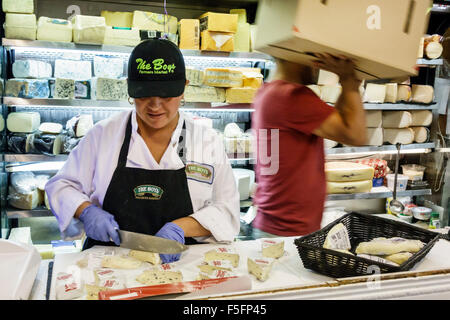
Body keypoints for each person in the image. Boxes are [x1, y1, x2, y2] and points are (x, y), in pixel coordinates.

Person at [45, 38, 240, 263]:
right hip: (109, 262)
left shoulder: (205, 142)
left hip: (183, 262)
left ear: (184, 88)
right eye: (144, 94)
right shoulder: (104, 135)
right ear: (130, 88)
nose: (155, 106)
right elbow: (60, 186)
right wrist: (86, 210)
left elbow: (227, 210)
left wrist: (179, 228)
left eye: (166, 95)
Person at [251, 54, 366, 238]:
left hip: (276, 225)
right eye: (312, 57)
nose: (317, 67)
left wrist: (349, 85)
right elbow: (356, 134)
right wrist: (348, 81)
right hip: (288, 230)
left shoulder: (270, 92)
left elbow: (340, 122)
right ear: (293, 54)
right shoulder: (292, 96)